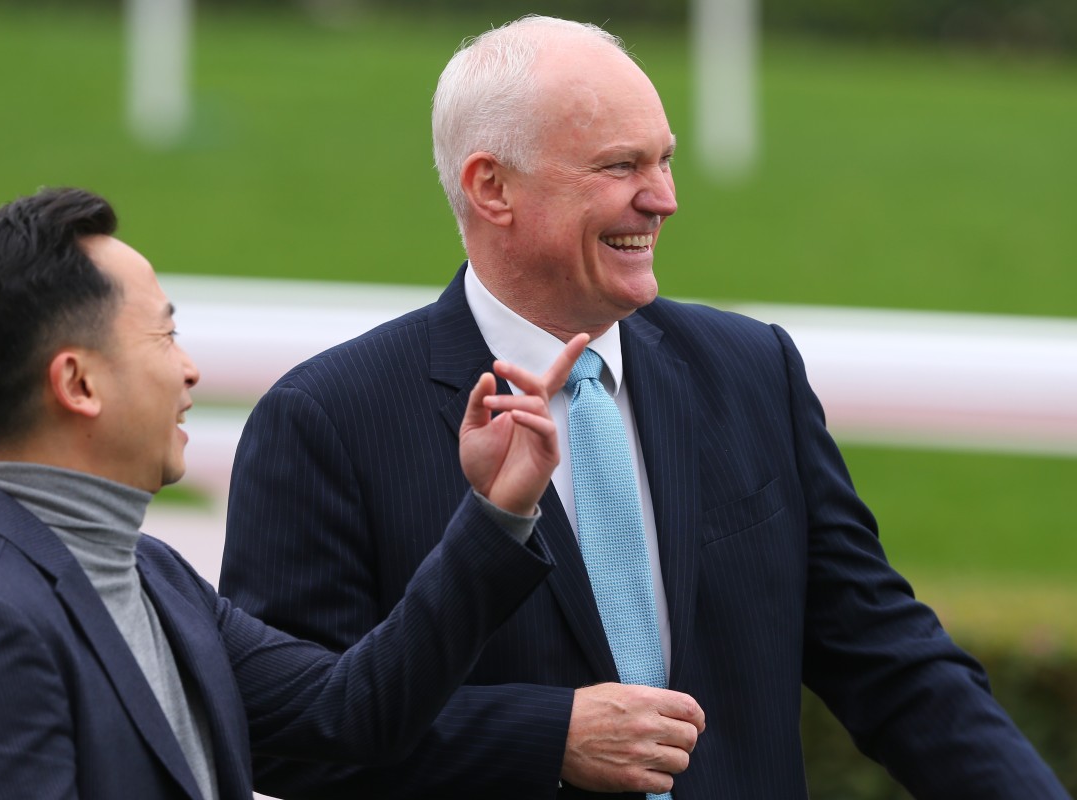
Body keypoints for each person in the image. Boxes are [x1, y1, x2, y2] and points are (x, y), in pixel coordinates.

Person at [220, 14, 1069, 800]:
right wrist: (543, 736)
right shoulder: (326, 420)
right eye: (620, 166)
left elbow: (890, 662)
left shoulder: (751, 373)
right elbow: (288, 732)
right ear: (492, 188)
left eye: (664, 160)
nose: (662, 197)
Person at [0, 186, 589, 800]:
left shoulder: (153, 574)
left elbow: (353, 708)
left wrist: (495, 514)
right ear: (78, 384)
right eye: (165, 334)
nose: (191, 370)